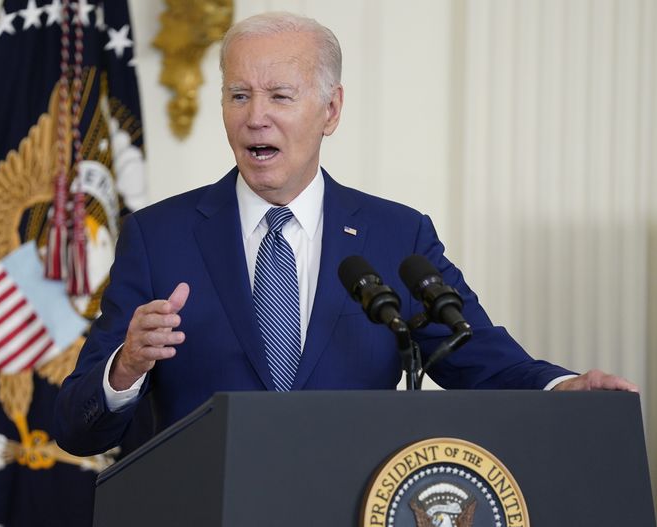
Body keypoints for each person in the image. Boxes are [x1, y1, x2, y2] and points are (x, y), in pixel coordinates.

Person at [53, 12, 636, 457]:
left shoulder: (396, 236)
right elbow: (75, 427)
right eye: (238, 95)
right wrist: (124, 368)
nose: (256, 116)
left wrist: (562, 390)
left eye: (280, 95)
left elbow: (478, 357)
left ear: (331, 110)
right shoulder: (159, 237)